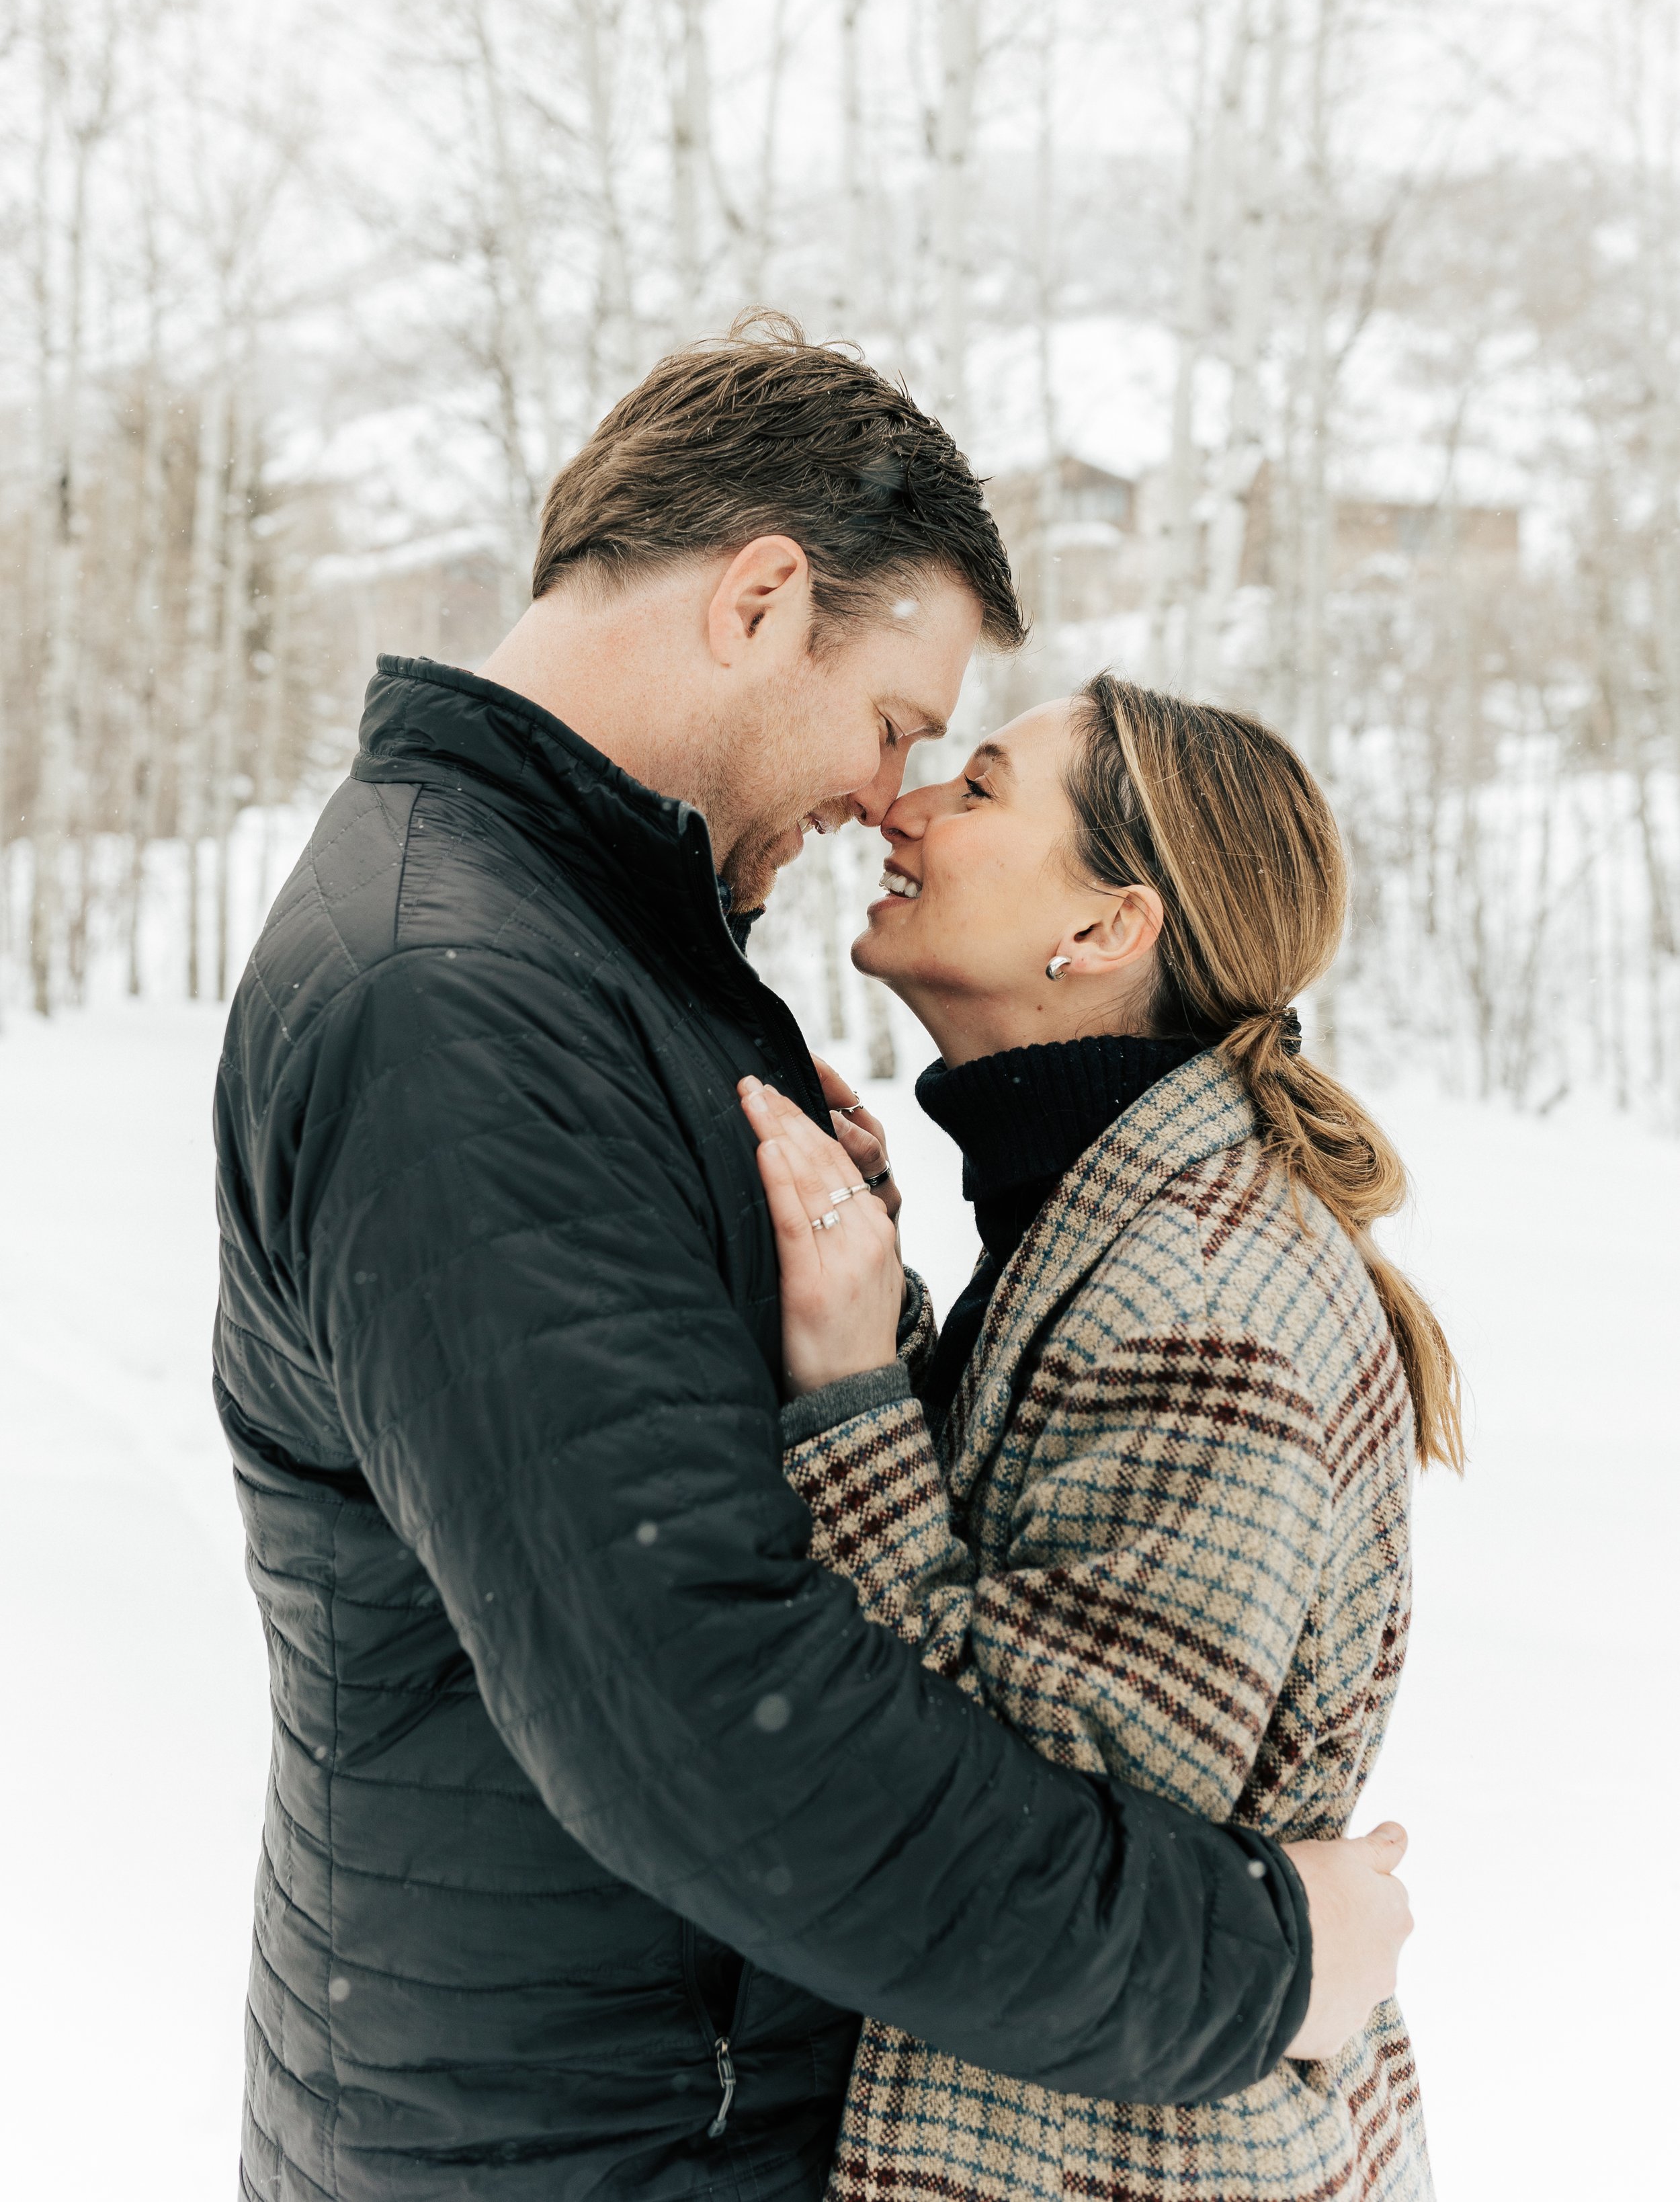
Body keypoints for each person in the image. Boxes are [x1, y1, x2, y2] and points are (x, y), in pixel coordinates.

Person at [214, 319, 1413, 2202]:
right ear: (762, 596)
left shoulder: (603, 953)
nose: (886, 795)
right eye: (894, 724)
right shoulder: (456, 999)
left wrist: (863, 1340)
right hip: (577, 2140)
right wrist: (1256, 1961)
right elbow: (703, 1715)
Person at [740, 673, 1459, 2201]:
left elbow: (1037, 1832)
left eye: (981, 789)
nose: (902, 803)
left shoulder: (1204, 1307)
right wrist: (883, 1297)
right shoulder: (1109, 1206)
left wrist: (854, 1400)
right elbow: (1032, 1551)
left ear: (1104, 931)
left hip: (1111, 2154)